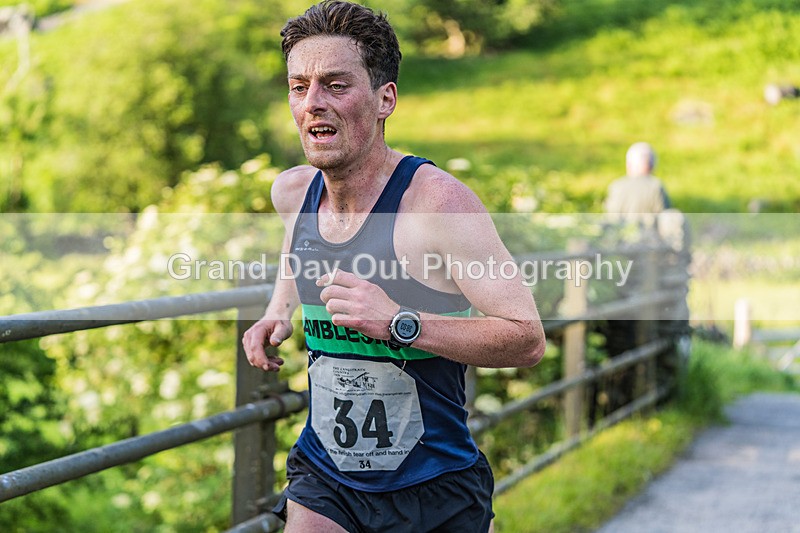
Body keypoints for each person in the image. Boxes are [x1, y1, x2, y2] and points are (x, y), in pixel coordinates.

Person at [241, 2, 546, 532]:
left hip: (433, 483)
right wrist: (279, 309)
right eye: (299, 87)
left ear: (386, 99)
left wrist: (398, 323)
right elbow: (300, 247)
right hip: (326, 474)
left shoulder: (438, 205)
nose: (313, 103)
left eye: (336, 85)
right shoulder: (294, 192)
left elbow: (526, 339)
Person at [604, 141, 671, 225]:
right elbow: (664, 221)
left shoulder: (616, 186)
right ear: (652, 165)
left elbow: (611, 219)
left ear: (628, 164)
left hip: (621, 236)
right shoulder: (656, 187)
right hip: (648, 237)